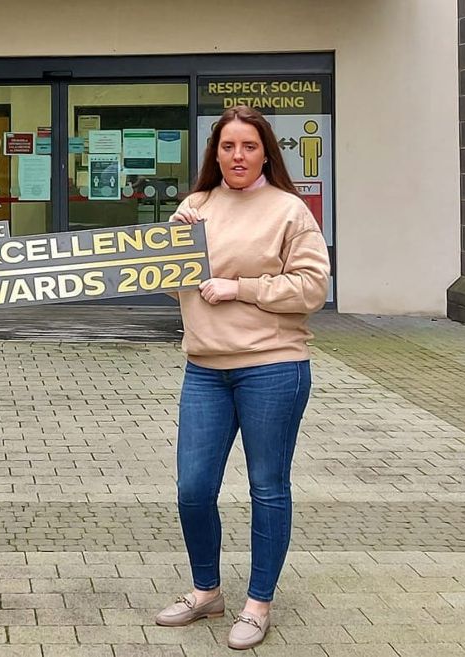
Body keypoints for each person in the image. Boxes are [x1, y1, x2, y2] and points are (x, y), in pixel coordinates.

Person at [154, 105, 330, 650]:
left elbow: (312, 288)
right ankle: (207, 591)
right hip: (205, 369)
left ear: (265, 152)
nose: (238, 156)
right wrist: (174, 245)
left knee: (267, 488)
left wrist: (241, 286)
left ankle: (258, 604)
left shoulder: (288, 211)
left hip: (272, 367)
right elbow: (166, 285)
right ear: (215, 154)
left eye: (249, 147)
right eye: (228, 147)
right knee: (193, 489)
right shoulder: (196, 205)